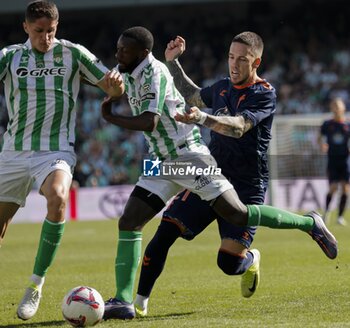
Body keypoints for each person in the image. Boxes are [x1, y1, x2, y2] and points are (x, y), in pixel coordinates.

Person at [101, 27, 337, 321]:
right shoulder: (223, 87)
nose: (234, 64)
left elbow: (238, 127)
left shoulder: (264, 94)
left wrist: (202, 118)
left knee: (228, 260)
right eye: (230, 57)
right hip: (192, 166)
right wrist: (174, 62)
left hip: (246, 180)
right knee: (159, 230)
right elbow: (193, 95)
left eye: (241, 59)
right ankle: (133, 303)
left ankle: (306, 223)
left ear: (256, 63)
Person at [0, 1, 124, 321]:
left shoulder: (73, 54)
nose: (45, 38)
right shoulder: (10, 57)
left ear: (58, 26)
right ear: (26, 28)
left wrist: (116, 86)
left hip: (55, 150)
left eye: (51, 31)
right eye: (39, 31)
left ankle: (35, 285)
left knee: (57, 197)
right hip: (13, 152)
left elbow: (107, 83)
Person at [319, 97, 350, 225]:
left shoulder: (347, 125)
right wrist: (322, 144)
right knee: (332, 188)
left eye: (338, 106)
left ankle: (340, 217)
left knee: (345, 188)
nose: (336, 109)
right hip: (332, 160)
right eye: (334, 106)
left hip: (345, 160)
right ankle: (326, 213)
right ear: (331, 108)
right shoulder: (327, 124)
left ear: (343, 108)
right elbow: (319, 137)